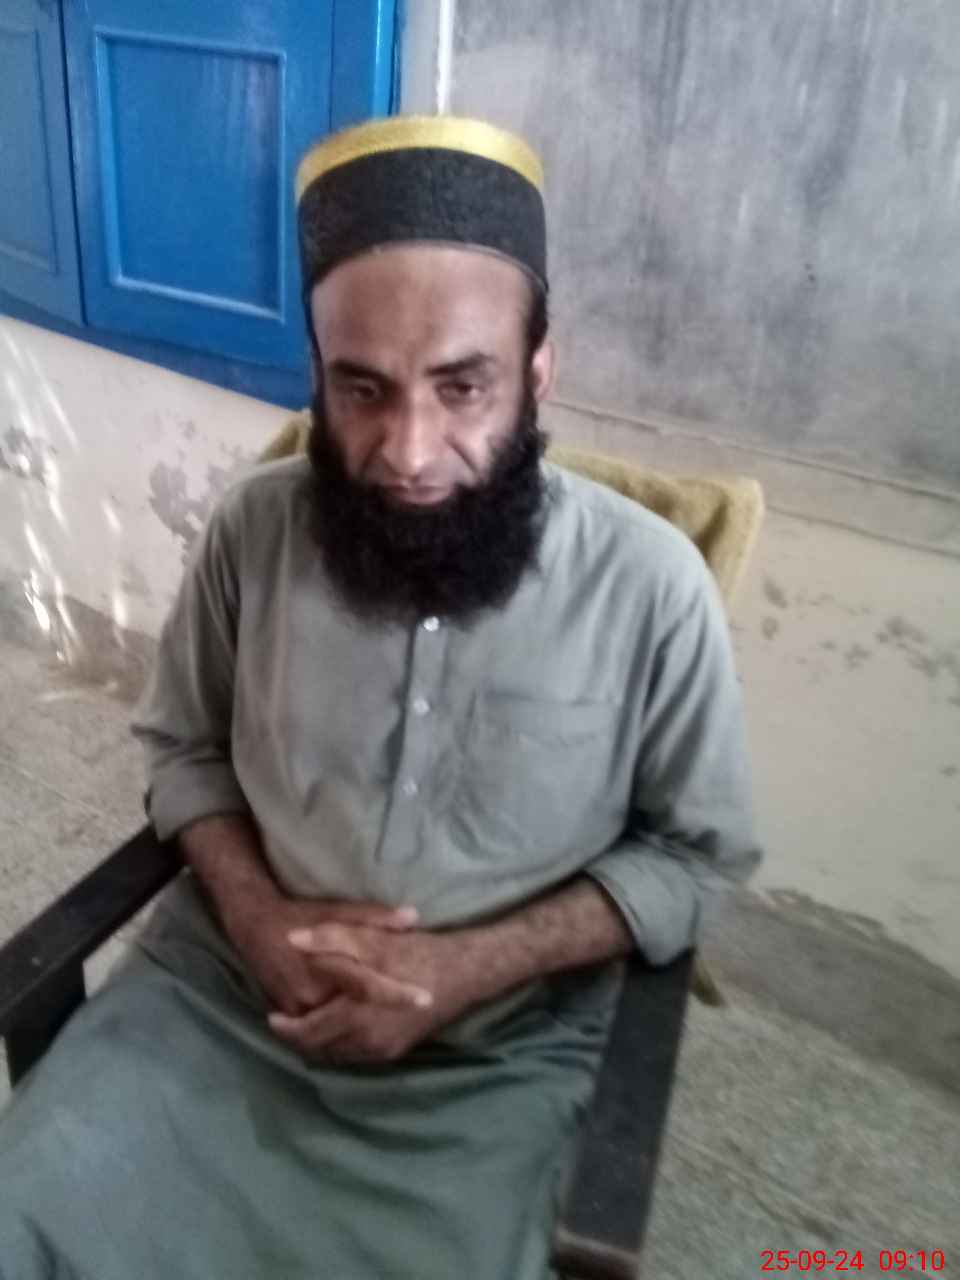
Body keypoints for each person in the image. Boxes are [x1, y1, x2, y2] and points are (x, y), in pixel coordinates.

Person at [0, 115, 761, 1279]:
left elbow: (698, 855)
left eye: (463, 386)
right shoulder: (253, 531)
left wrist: (469, 967)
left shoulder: (651, 584)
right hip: (218, 1004)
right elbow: (184, 750)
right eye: (361, 388)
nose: (408, 449)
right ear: (317, 372)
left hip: (490, 1059)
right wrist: (257, 914)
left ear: (538, 373)